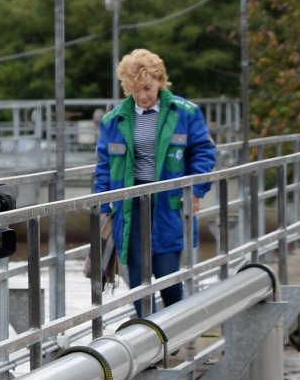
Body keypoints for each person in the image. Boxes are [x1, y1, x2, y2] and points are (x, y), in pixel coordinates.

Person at [93, 48, 218, 315]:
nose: (142, 96)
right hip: (130, 206)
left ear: (160, 81)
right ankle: (147, 331)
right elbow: (104, 166)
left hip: (168, 203)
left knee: (166, 272)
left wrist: (196, 189)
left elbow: (204, 152)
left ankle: (175, 328)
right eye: (134, 90)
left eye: (147, 88)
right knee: (137, 275)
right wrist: (102, 204)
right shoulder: (113, 120)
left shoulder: (184, 113)